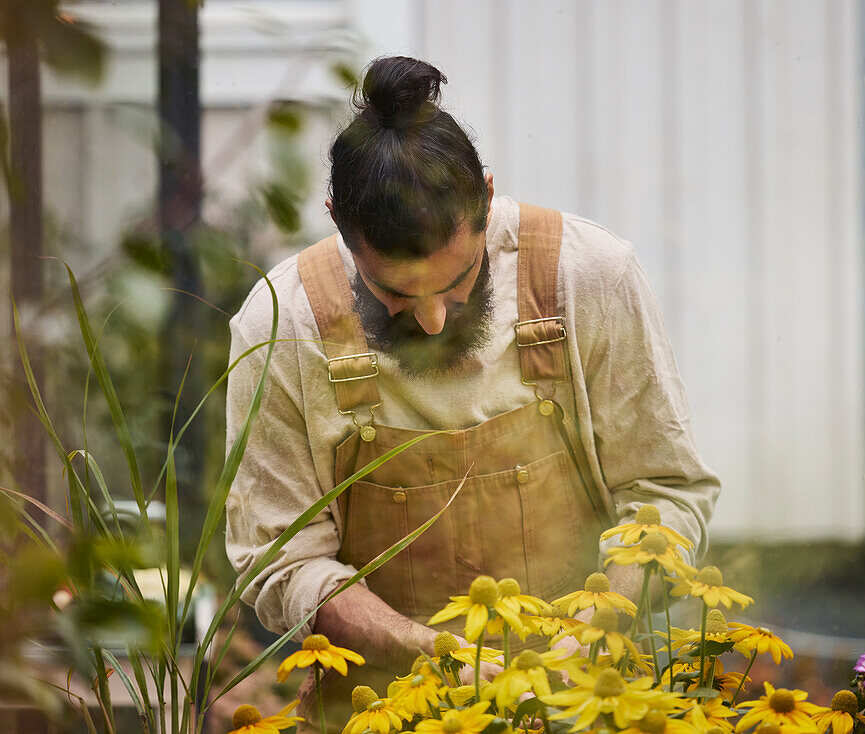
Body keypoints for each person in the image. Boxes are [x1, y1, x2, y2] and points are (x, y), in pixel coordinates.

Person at [225, 55, 719, 714]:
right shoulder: (283, 323)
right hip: (382, 710)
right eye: (394, 291)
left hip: (586, 703)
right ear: (337, 221)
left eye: (457, 282)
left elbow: (665, 494)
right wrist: (442, 659)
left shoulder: (587, 276)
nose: (432, 320)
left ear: (486, 196)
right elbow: (282, 561)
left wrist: (594, 634)